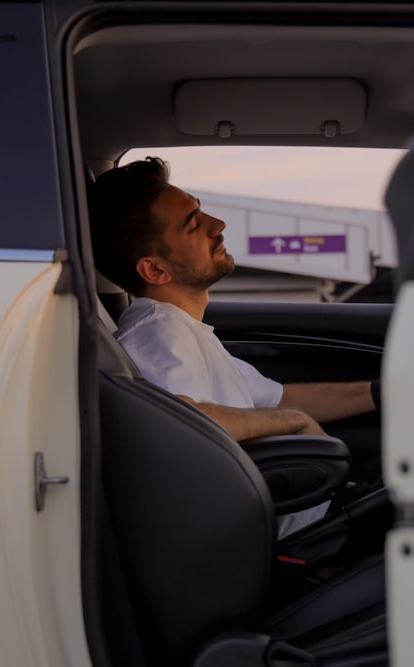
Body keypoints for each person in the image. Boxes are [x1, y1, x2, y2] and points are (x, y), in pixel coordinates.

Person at [89, 157, 380, 534]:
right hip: (298, 537)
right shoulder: (159, 334)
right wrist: (294, 423)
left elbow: (278, 399)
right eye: (194, 224)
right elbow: (183, 425)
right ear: (156, 270)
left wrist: (379, 392)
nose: (218, 225)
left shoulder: (182, 329)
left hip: (314, 513)